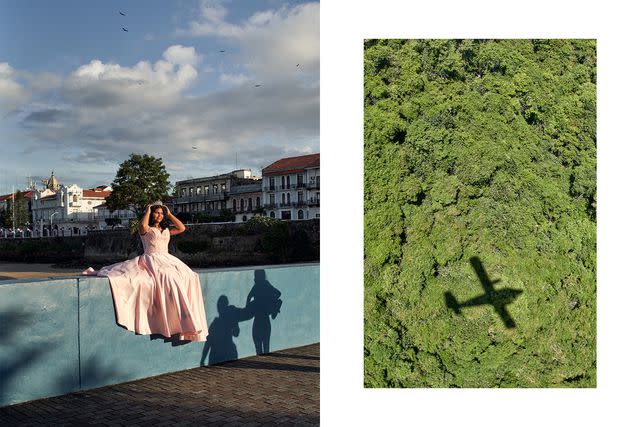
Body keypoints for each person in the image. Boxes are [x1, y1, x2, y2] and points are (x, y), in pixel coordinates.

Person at [83, 204, 207, 342]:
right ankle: (176, 320)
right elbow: (142, 225)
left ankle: (186, 319)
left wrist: (169, 214)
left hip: (168, 259)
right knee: (167, 277)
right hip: (152, 259)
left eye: (161, 213)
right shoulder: (146, 229)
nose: (159, 215)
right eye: (156, 213)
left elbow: (181, 228)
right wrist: (148, 210)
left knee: (190, 276)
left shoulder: (166, 229)